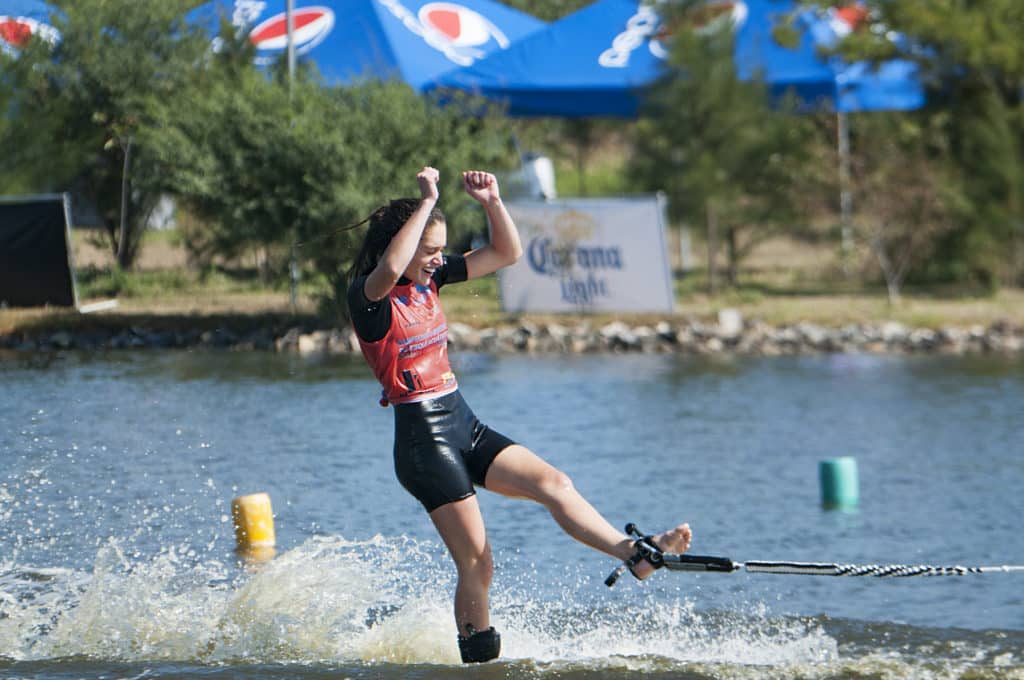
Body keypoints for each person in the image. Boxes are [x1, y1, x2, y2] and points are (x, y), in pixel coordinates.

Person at [346, 166, 693, 664]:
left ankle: (635, 555)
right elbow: (387, 270)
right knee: (478, 564)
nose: (437, 260)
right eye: (428, 251)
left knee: (554, 482)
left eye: (440, 250)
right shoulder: (368, 297)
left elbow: (507, 253)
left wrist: (492, 202)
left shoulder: (431, 280)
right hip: (423, 444)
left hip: (461, 421)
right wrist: (427, 202)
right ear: (401, 246)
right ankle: (480, 663)